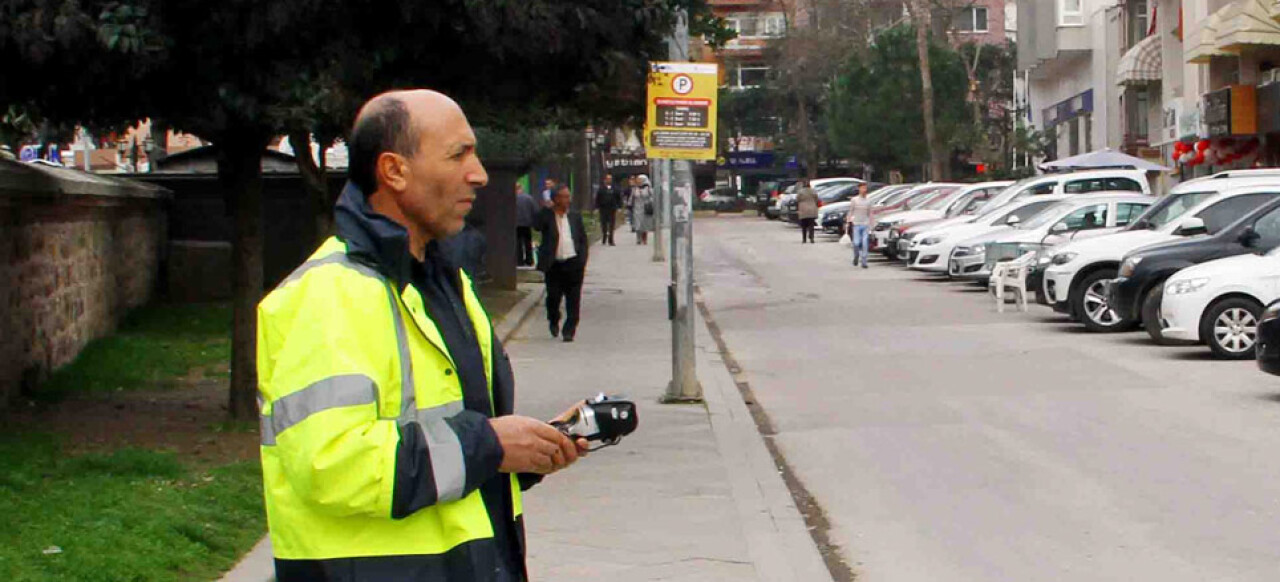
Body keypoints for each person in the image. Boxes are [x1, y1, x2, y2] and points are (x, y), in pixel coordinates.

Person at [256, 89, 590, 582]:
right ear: (393, 171)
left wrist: (526, 452)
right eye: (459, 154)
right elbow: (333, 465)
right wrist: (491, 445)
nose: (477, 173)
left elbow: (452, 446)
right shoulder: (329, 294)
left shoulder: (444, 282)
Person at [537, 184, 589, 342]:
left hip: (573, 263)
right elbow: (536, 225)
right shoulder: (547, 216)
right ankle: (553, 319)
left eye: (568, 196)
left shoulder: (574, 216)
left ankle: (569, 329)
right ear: (555, 199)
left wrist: (582, 260)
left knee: (573, 299)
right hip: (554, 265)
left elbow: (582, 238)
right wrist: (546, 210)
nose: (567, 200)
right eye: (563, 196)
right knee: (553, 297)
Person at [845, 182, 875, 268]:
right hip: (856, 224)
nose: (864, 190)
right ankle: (856, 255)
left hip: (865, 224)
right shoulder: (854, 200)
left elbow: (870, 213)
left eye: (865, 188)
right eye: (862, 188)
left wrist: (872, 225)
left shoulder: (868, 201)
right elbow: (850, 211)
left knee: (865, 243)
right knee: (856, 243)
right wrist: (848, 222)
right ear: (859, 189)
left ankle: (864, 261)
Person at [515, 182, 539, 267]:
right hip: (527, 224)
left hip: (516, 224)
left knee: (517, 243)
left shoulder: (512, 199)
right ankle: (529, 260)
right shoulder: (529, 198)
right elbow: (535, 210)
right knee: (527, 242)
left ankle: (519, 261)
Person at [594, 174, 621, 245]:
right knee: (604, 224)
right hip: (603, 209)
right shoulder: (601, 188)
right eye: (608, 179)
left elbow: (618, 198)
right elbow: (598, 198)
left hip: (612, 209)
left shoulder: (615, 188)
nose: (609, 180)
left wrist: (619, 207)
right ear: (605, 180)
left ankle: (611, 239)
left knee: (611, 224)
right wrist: (596, 207)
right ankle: (604, 235)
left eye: (610, 179)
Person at [630, 174, 655, 245]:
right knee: (637, 225)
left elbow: (652, 197)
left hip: (645, 208)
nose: (639, 181)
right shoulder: (635, 188)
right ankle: (638, 238)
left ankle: (644, 239)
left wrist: (649, 202)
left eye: (640, 180)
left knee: (644, 225)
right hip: (637, 209)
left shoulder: (648, 188)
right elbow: (632, 197)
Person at [795, 179, 820, 244]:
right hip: (812, 208)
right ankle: (812, 238)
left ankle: (804, 239)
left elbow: (797, 199)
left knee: (804, 226)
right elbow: (817, 199)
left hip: (803, 209)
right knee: (811, 225)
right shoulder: (813, 191)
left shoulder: (800, 192)